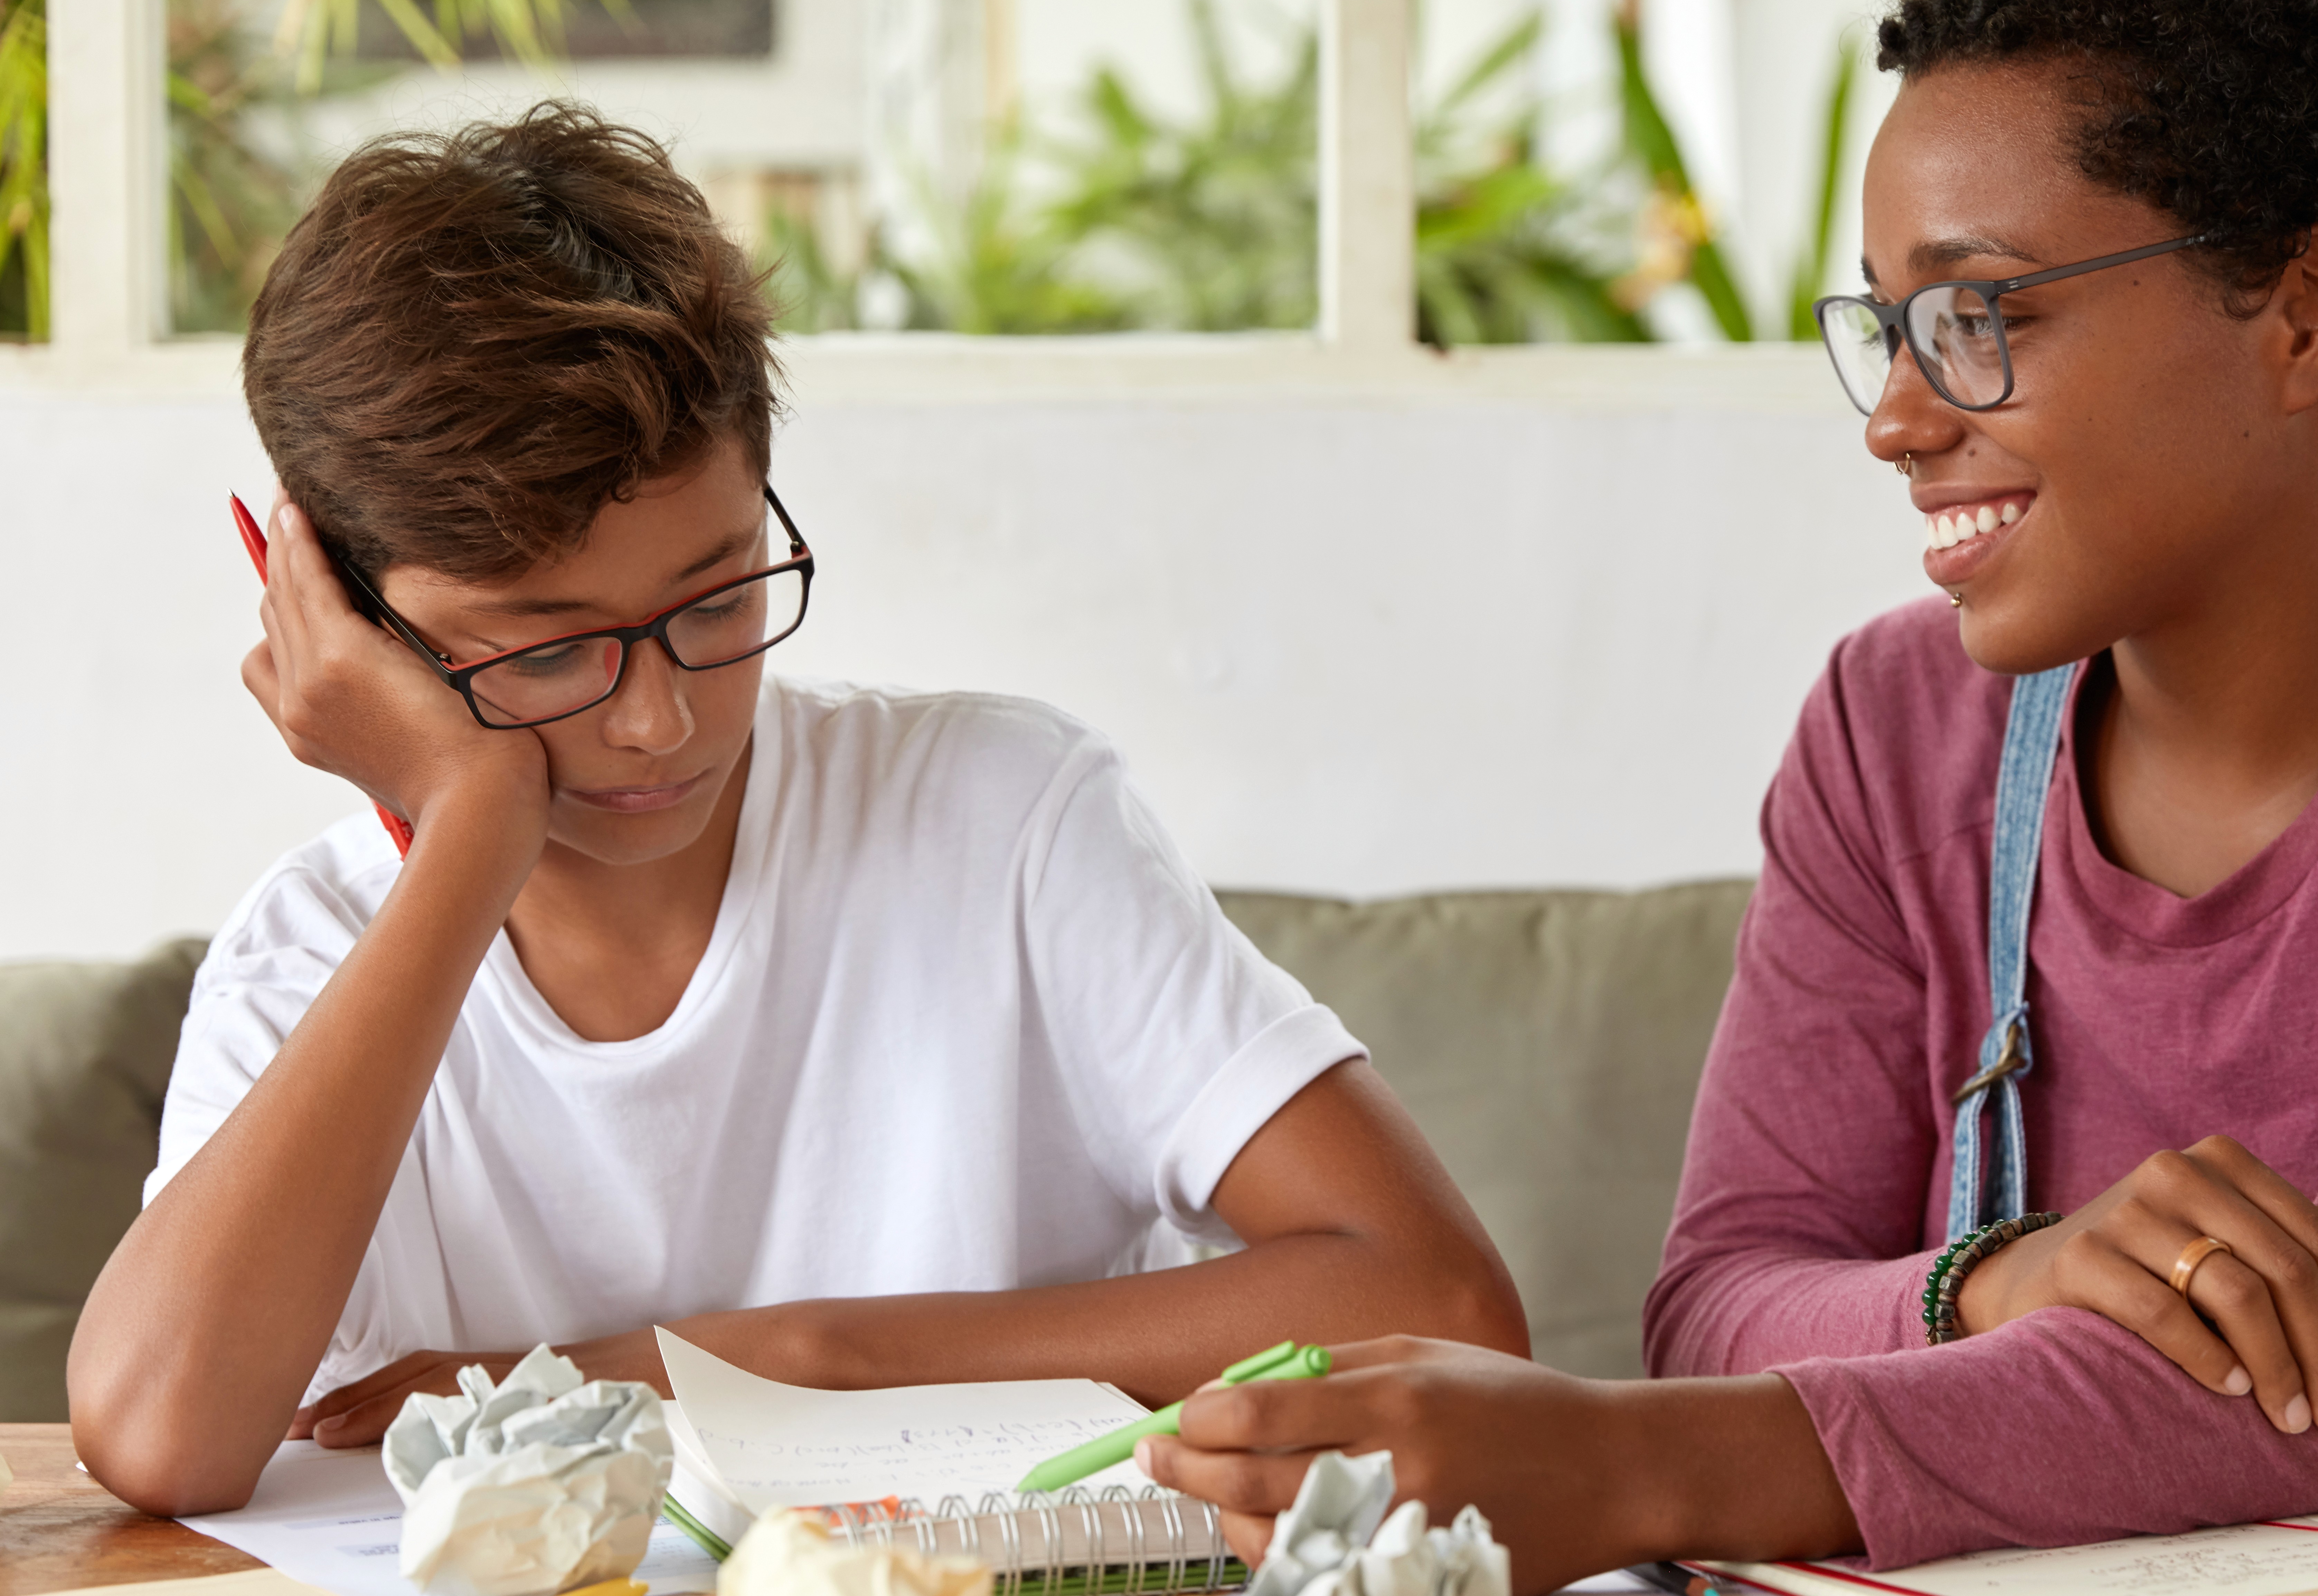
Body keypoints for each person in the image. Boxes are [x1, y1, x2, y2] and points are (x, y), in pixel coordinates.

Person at [1142, 0, 2318, 1596]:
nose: (1894, 417)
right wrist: (2005, 1280)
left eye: (1978, 316)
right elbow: (1724, 1288)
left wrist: (1625, 1461)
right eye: (1886, 328)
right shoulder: (1894, 738)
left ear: (2305, 310)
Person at [69, 104, 1525, 1517]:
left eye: (717, 596)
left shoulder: (998, 825)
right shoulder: (313, 953)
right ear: (332, 616)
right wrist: (467, 826)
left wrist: (761, 1364)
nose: (663, 716)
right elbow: (157, 1439)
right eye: (545, 646)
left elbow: (1444, 1302)